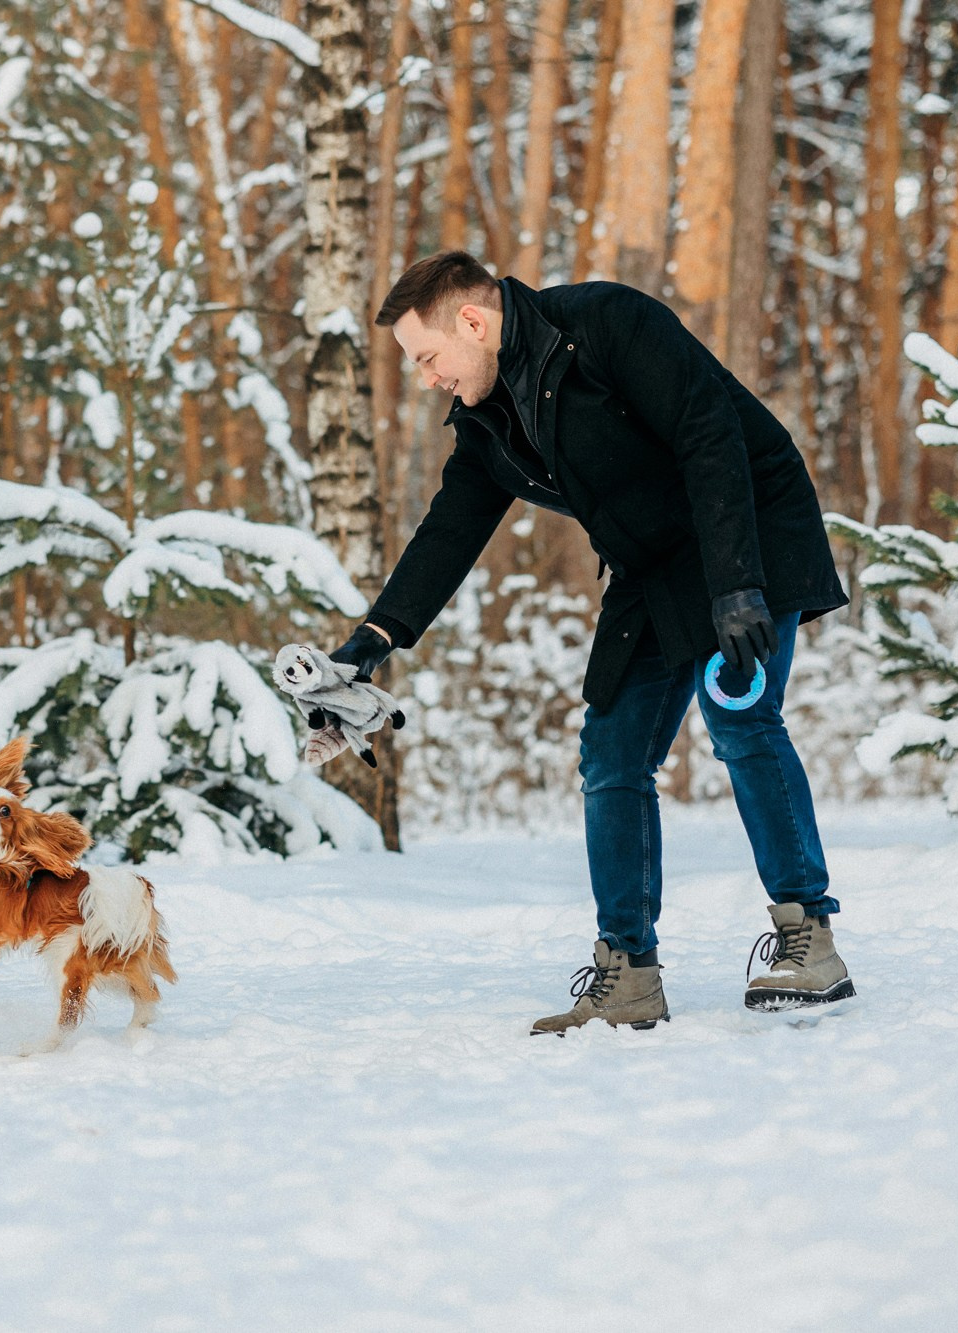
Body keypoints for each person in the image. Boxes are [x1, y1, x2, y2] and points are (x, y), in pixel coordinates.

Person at [327, 250, 853, 1034]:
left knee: (739, 716)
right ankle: (629, 972)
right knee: (611, 752)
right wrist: (373, 639)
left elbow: (709, 431)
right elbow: (452, 527)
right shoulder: (489, 418)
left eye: (428, 357)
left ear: (472, 321)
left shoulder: (605, 323)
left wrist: (738, 582)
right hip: (652, 567)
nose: (427, 378)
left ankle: (809, 936)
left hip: (744, 526)